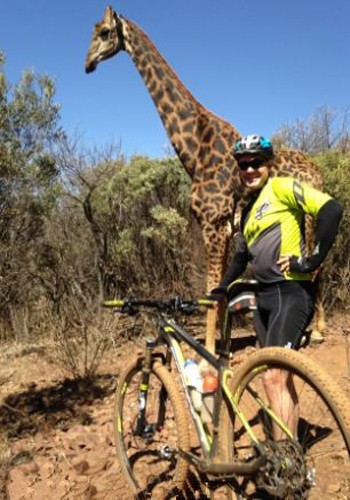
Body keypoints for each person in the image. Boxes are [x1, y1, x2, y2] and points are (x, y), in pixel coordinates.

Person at [211, 134, 343, 437]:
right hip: (264, 299)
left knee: (272, 378)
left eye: (256, 162)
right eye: (243, 165)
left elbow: (331, 209)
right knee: (280, 378)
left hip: (290, 293)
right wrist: (222, 286)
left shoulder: (281, 188)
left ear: (268, 164)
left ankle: (285, 463)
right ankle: (292, 445)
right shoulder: (247, 210)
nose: (249, 170)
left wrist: (311, 261)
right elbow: (241, 256)